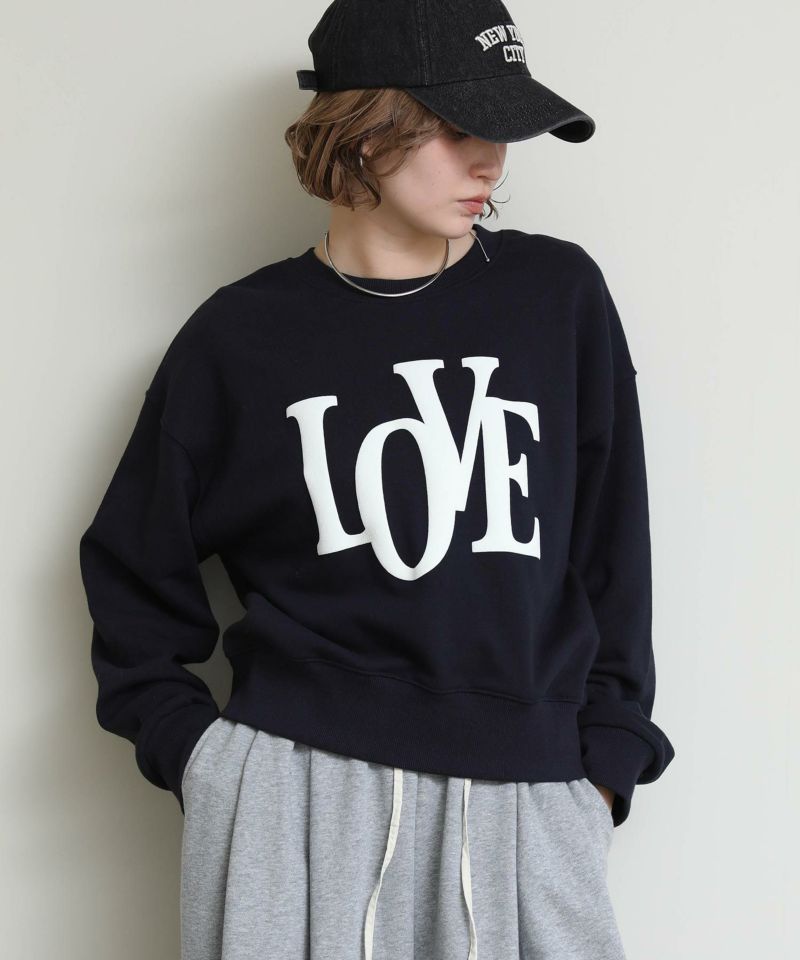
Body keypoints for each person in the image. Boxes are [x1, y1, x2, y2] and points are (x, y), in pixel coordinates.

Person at [78, 1, 676, 958]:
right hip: (294, 805)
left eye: (502, 132)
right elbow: (131, 572)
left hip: (527, 797)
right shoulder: (240, 339)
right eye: (460, 128)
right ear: (364, 130)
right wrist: (207, 764)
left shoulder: (555, 299)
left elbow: (613, 550)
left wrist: (604, 768)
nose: (492, 163)